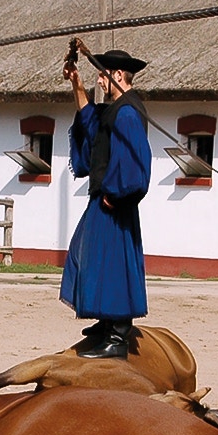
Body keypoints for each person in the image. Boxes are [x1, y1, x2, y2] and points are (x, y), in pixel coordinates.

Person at [61, 49, 152, 359]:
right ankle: (106, 321)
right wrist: (77, 82)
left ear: (117, 75)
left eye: (102, 75)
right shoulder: (115, 110)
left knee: (112, 265)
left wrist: (117, 194)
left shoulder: (128, 112)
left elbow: (136, 164)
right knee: (90, 259)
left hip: (115, 203)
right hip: (106, 199)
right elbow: (90, 120)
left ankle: (117, 334)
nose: (99, 81)